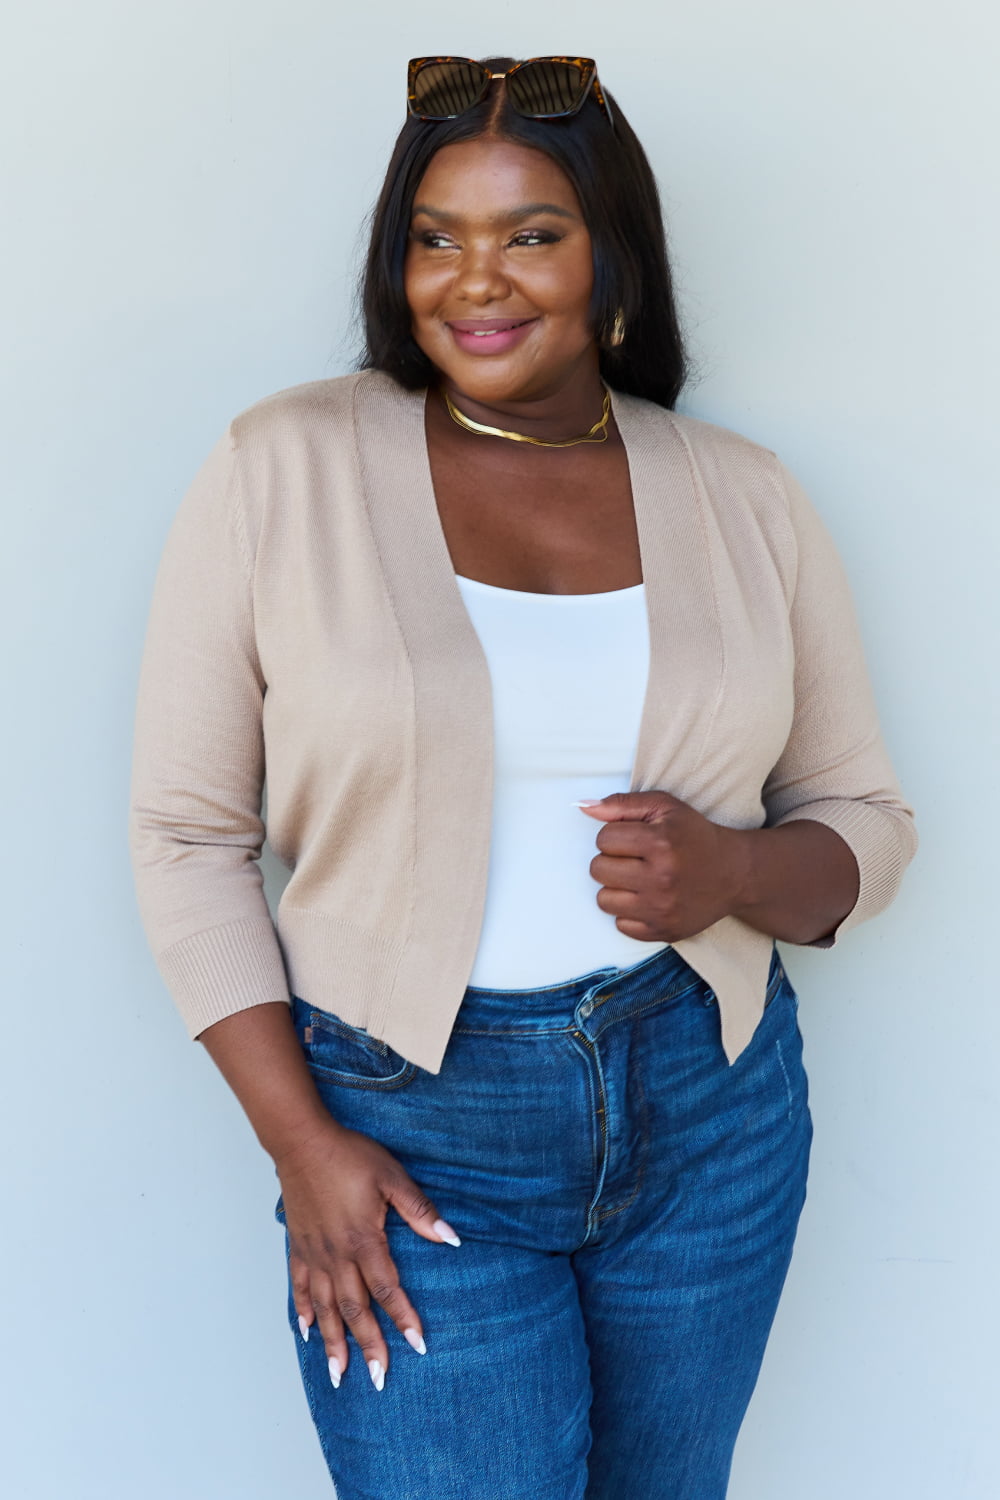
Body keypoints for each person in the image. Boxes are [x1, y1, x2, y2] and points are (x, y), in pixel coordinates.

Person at [128, 54, 917, 1500]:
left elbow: (866, 817)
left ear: (612, 258)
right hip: (407, 1124)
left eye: (530, 234)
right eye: (436, 236)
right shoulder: (282, 467)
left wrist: (734, 872)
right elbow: (186, 835)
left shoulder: (743, 495)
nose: (474, 280)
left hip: (710, 1105)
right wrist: (302, 1146)